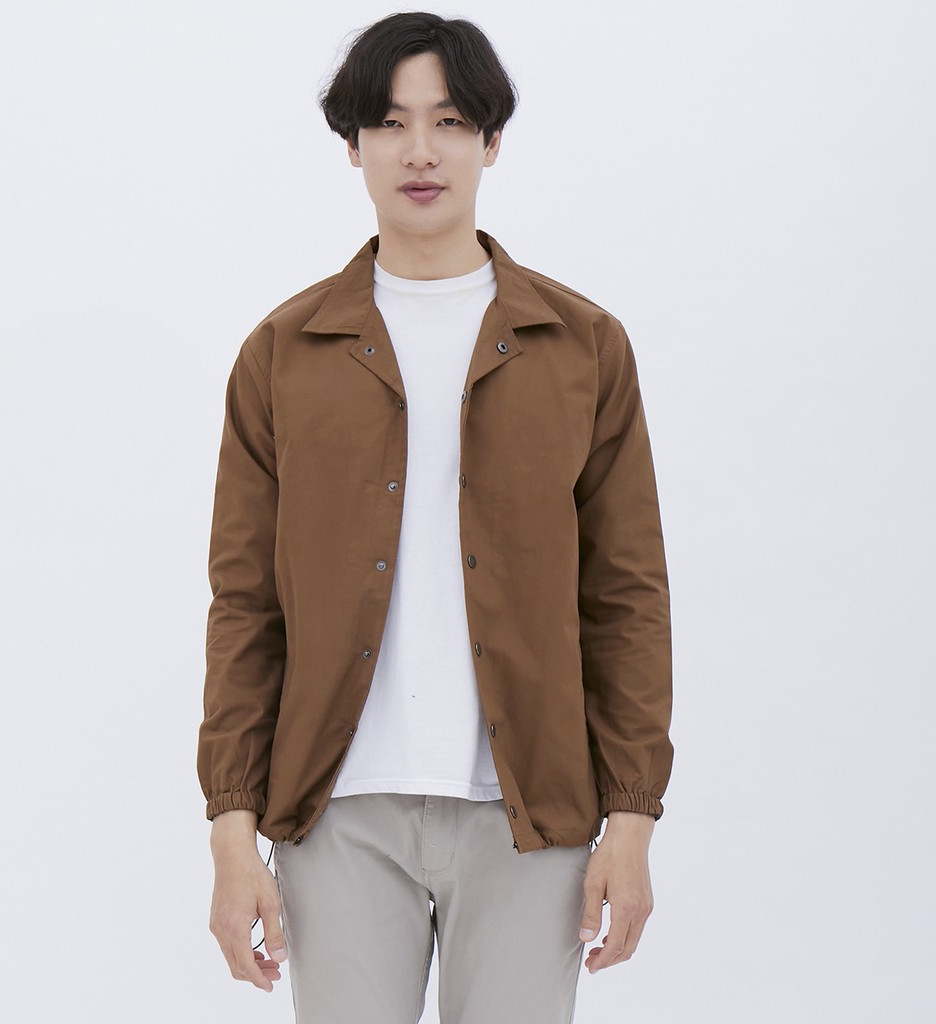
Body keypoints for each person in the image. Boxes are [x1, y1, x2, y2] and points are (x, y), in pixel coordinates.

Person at [197, 11, 673, 1023]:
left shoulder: (582, 346)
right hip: (337, 810)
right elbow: (244, 606)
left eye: (449, 122)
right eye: (390, 122)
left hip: (530, 812)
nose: (420, 151)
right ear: (354, 144)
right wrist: (231, 831)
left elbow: (626, 599)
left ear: (491, 140)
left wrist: (631, 820)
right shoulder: (282, 353)